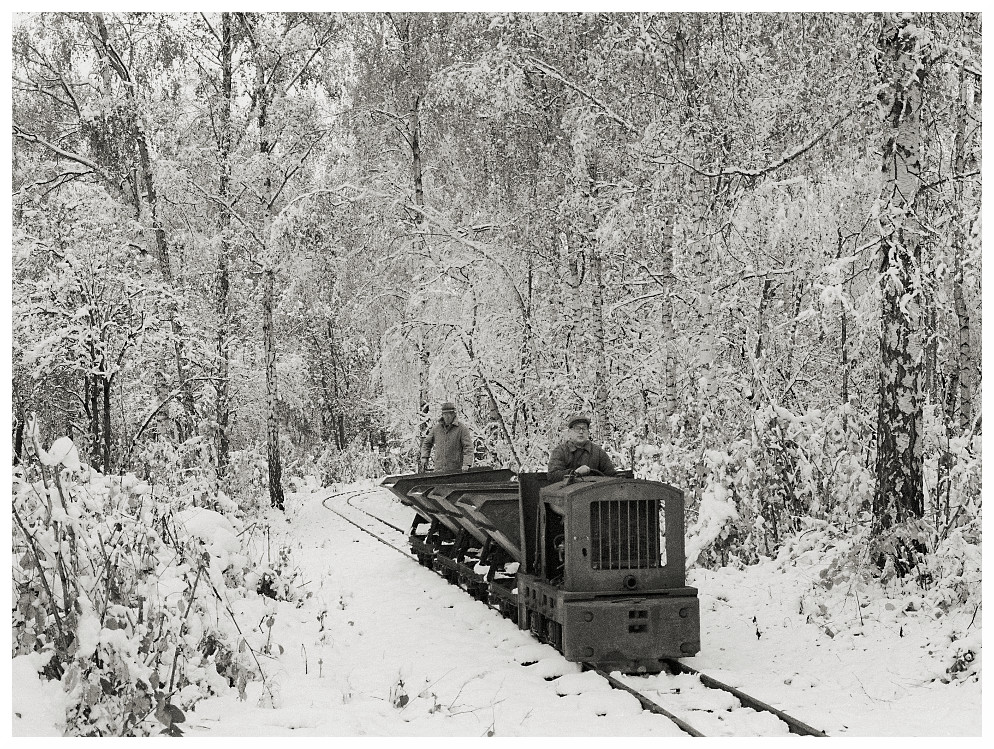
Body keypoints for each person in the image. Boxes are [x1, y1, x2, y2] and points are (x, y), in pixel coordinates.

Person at [547, 413, 617, 482]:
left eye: (584, 428)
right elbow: (552, 476)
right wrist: (574, 473)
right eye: (577, 428)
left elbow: (611, 475)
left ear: (588, 432)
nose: (581, 432)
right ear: (569, 432)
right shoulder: (561, 451)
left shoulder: (598, 452)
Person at [419, 402, 474, 473]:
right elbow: (427, 443)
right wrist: (424, 457)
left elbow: (468, 447)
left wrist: (467, 464)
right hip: (439, 470)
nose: (447, 417)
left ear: (454, 415)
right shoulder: (436, 429)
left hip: (456, 471)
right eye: (445, 414)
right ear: (442, 415)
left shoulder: (461, 429)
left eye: (449, 414)